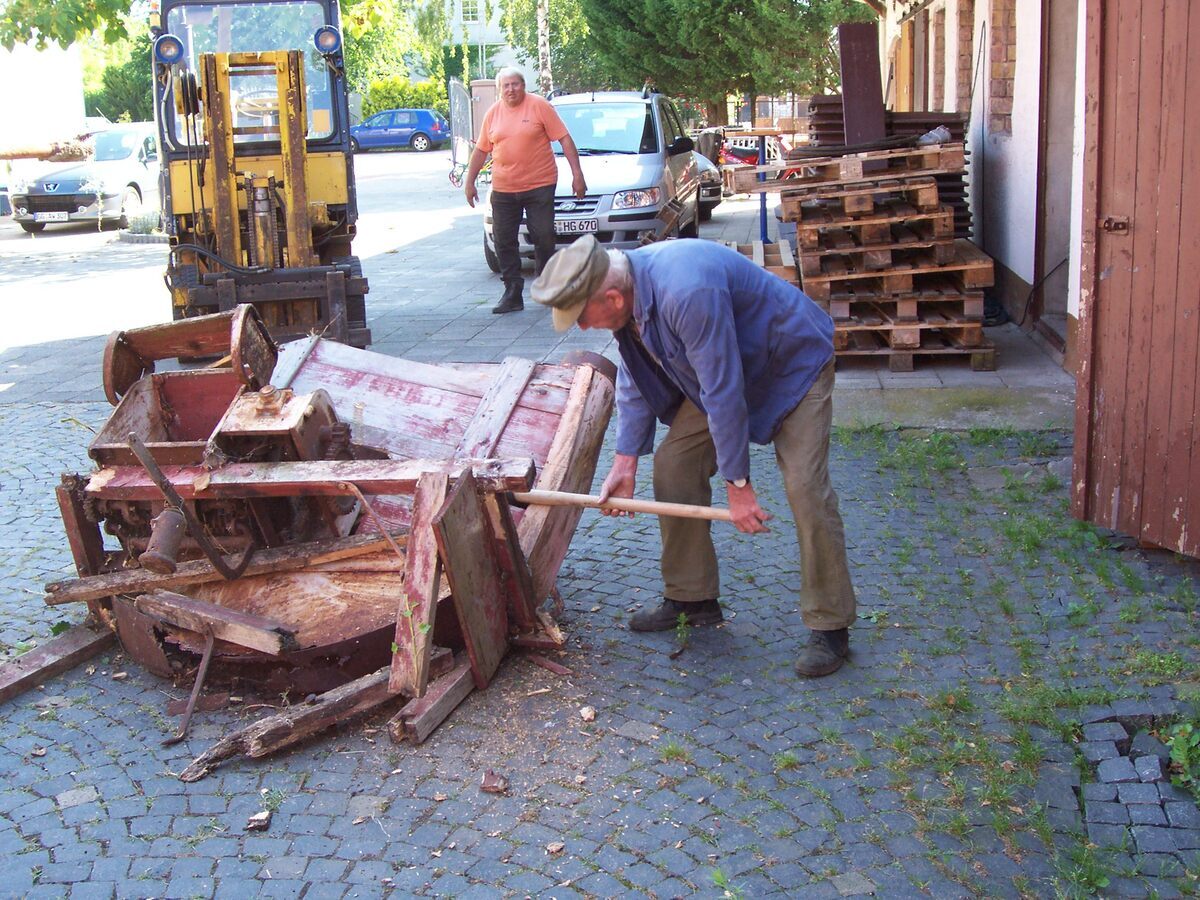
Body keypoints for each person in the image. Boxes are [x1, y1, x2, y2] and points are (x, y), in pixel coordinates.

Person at [530, 235, 858, 677]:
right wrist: (625, 461)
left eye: (582, 317)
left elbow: (723, 393)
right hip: (725, 371)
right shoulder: (628, 297)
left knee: (805, 488)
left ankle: (830, 623)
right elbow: (635, 377)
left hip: (791, 364)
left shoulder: (685, 290)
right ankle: (693, 597)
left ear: (612, 297)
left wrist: (738, 484)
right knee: (674, 465)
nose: (583, 329)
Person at [464, 68, 587, 315]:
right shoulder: (493, 113)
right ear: (499, 89)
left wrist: (578, 175)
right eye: (506, 85)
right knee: (503, 240)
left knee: (543, 234)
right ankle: (512, 292)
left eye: (515, 84)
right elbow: (481, 150)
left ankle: (546, 283)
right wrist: (470, 181)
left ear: (523, 85)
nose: (511, 89)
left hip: (539, 184)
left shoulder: (539, 106)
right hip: (504, 188)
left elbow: (564, 139)